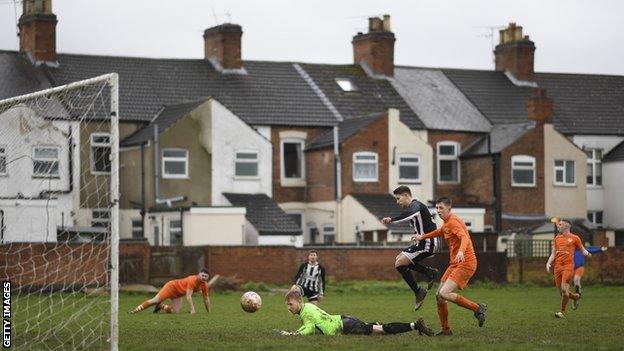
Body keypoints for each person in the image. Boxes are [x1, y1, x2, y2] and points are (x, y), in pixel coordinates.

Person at [413, 197, 486, 336]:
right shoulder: (447, 223)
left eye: (441, 208)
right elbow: (441, 231)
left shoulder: (453, 222)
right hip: (455, 264)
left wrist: (460, 252)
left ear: (449, 209)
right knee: (439, 296)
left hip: (466, 263)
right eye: (437, 208)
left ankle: (477, 308)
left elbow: (464, 237)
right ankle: (446, 330)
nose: (438, 211)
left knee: (444, 293)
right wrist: (422, 237)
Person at [278, 289, 434, 336]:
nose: (288, 307)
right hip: (344, 320)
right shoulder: (308, 308)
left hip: (345, 325)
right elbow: (309, 325)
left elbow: (309, 328)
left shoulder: (306, 312)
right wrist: (295, 332)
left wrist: (293, 335)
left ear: (299, 302)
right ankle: (415, 325)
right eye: (287, 305)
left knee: (380, 330)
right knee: (376, 328)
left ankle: (415, 325)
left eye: (290, 304)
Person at [381, 185, 439, 310]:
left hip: (428, 243)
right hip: (424, 242)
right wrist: (416, 235)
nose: (397, 202)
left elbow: (409, 214)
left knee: (400, 263)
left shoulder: (415, 206)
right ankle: (429, 273)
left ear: (406, 195)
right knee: (399, 260)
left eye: (398, 198)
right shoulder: (415, 207)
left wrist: (391, 219)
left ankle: (419, 290)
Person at [546, 219, 591, 318]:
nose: (558, 226)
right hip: (557, 267)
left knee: (564, 291)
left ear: (566, 226)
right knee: (562, 293)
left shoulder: (575, 238)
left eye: (560, 224)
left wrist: (588, 254)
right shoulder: (557, 238)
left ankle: (562, 312)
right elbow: (554, 253)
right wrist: (548, 263)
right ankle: (575, 297)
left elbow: (583, 250)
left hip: (568, 266)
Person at [129, 268, 211, 314]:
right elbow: (188, 296)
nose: (204, 277)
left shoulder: (205, 285)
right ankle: (134, 311)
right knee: (155, 300)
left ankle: (160, 306)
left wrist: (209, 313)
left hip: (178, 294)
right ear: (199, 274)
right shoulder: (192, 280)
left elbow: (206, 299)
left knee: (175, 312)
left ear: (208, 278)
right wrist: (192, 310)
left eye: (206, 276)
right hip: (171, 287)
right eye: (202, 275)